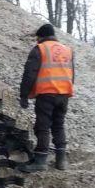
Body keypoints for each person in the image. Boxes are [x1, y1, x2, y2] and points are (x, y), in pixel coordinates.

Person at [19, 22, 75, 172]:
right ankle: (61, 161)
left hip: (47, 94)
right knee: (58, 125)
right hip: (64, 94)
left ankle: (40, 161)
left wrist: (24, 95)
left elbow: (29, 74)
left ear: (41, 36)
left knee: (43, 126)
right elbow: (71, 74)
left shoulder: (40, 49)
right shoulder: (67, 50)